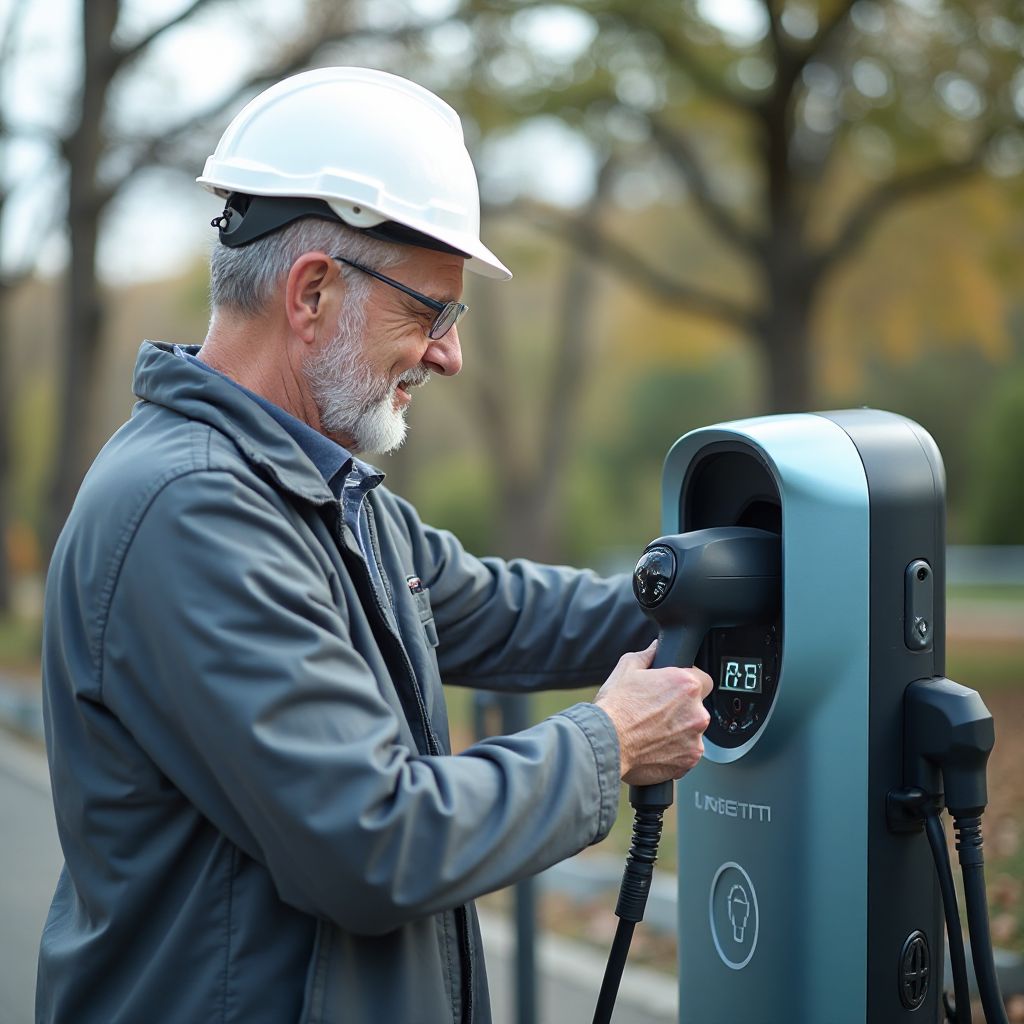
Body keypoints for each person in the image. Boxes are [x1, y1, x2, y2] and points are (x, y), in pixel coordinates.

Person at [37, 67, 712, 1024]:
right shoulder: (195, 510)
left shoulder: (315, 489)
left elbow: (506, 611)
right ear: (312, 293)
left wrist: (720, 577)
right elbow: (371, 843)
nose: (449, 353)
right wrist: (610, 743)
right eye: (429, 312)